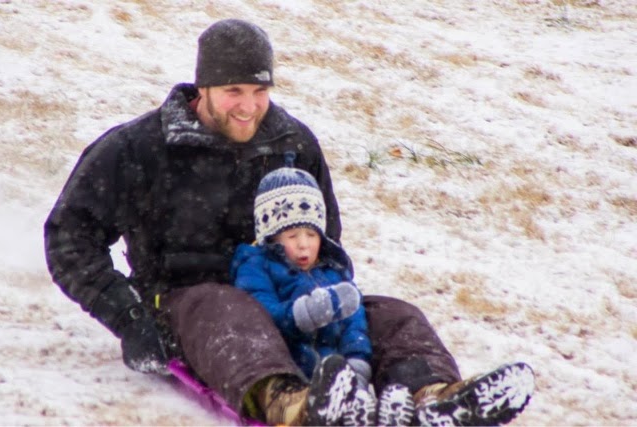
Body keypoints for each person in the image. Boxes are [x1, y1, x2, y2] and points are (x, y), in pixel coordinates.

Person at [44, 18, 534, 426]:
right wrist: (129, 317)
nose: (249, 106)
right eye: (233, 91)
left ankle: (433, 397)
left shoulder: (290, 143)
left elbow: (325, 238)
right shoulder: (140, 148)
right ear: (203, 87)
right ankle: (295, 406)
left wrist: (325, 299)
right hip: (186, 302)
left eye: (260, 91)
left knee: (392, 313)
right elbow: (70, 236)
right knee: (227, 307)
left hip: (286, 292)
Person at [231, 161, 379, 425]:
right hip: (291, 368)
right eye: (292, 235)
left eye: (311, 234)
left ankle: (355, 403)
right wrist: (302, 315)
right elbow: (259, 313)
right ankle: (314, 403)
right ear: (272, 237)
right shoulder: (256, 266)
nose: (303, 245)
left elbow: (354, 326)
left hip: (335, 369)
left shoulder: (334, 271)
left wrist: (357, 364)